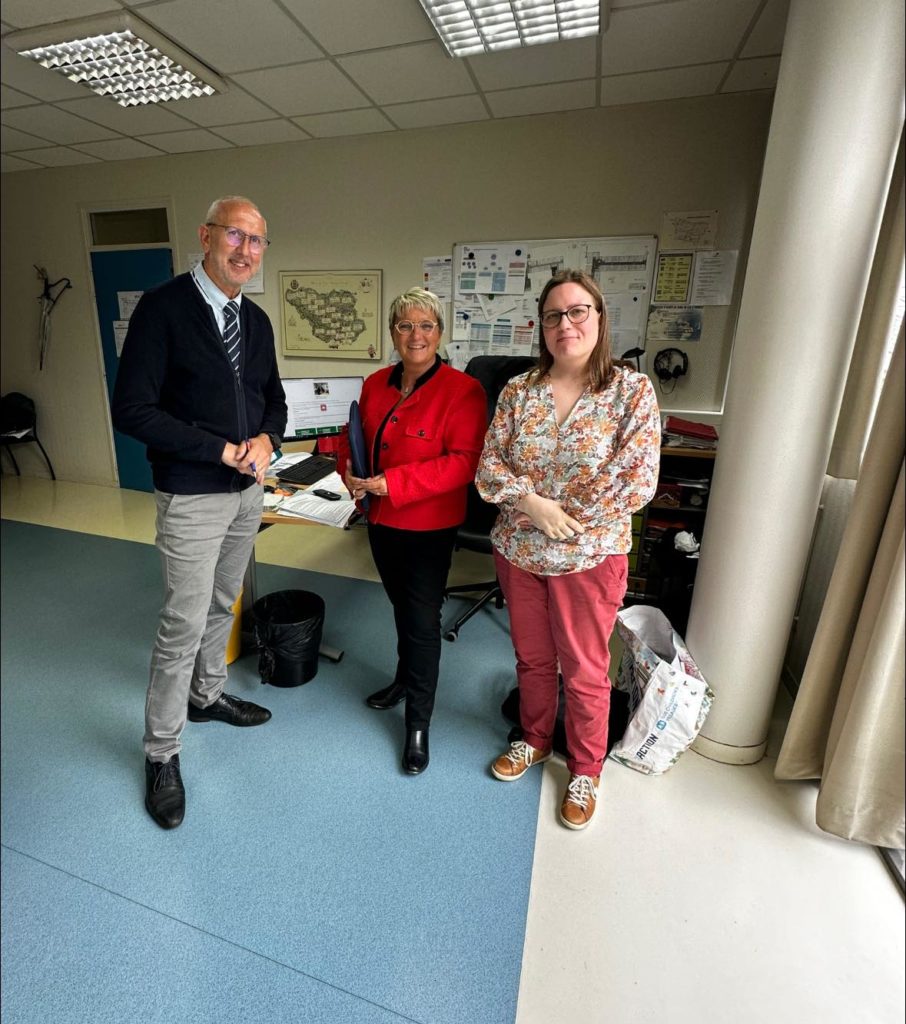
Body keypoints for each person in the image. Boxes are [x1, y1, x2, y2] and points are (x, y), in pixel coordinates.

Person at [112, 195, 287, 830]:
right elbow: (132, 410)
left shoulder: (257, 321)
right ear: (207, 236)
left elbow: (273, 400)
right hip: (191, 491)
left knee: (223, 602)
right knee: (182, 621)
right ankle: (161, 752)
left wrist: (267, 439)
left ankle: (207, 695)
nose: (246, 250)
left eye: (258, 241)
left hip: (247, 491)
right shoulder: (163, 310)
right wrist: (217, 448)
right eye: (235, 236)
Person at [476, 269, 660, 830]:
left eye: (579, 311)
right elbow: (490, 466)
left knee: (584, 669)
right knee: (532, 659)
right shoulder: (518, 391)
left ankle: (584, 768)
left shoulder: (630, 392)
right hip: (519, 551)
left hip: (589, 556)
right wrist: (535, 506)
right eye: (554, 315)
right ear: (542, 327)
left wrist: (567, 518)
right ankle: (532, 737)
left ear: (599, 320)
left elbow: (636, 479)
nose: (566, 324)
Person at [343, 288, 487, 774]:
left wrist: (394, 483)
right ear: (393, 333)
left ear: (439, 333)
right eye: (405, 325)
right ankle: (405, 679)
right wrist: (351, 473)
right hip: (381, 522)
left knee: (423, 623)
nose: (415, 334)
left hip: (428, 527)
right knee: (402, 608)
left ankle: (418, 723)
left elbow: (464, 463)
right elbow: (358, 440)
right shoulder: (375, 383)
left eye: (426, 325)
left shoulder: (462, 391)